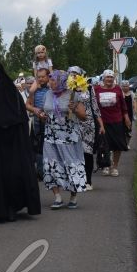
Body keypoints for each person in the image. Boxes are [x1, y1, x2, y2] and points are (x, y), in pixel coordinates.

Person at [0, 60, 41, 221]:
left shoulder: (10, 91)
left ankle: (12, 207)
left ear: (0, 75)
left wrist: (5, 126)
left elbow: (19, 118)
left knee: (10, 176)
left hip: (10, 145)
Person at [41, 70, 88, 209]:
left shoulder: (73, 94)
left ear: (62, 81)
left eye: (54, 80)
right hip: (50, 135)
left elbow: (84, 117)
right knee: (51, 165)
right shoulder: (47, 94)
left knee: (71, 164)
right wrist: (43, 115)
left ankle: (73, 197)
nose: (51, 82)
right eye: (50, 80)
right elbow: (47, 110)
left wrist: (75, 109)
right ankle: (57, 197)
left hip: (68, 137)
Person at [94, 69, 131, 177]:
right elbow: (93, 105)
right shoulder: (97, 89)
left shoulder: (118, 89)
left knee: (117, 145)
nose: (109, 79)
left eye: (111, 77)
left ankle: (114, 167)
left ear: (113, 79)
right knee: (104, 145)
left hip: (117, 121)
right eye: (107, 77)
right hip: (102, 122)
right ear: (103, 78)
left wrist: (127, 117)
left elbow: (123, 106)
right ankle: (105, 165)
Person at [69, 66, 100, 192]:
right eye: (71, 73)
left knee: (87, 153)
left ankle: (88, 180)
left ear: (81, 74)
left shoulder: (89, 87)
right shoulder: (67, 88)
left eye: (75, 73)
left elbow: (95, 106)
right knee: (75, 153)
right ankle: (77, 180)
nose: (73, 75)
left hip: (88, 124)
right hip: (72, 123)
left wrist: (101, 124)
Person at [26, 68, 51, 179]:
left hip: (52, 120)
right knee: (39, 145)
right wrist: (35, 110)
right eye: (38, 77)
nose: (40, 79)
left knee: (51, 145)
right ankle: (41, 172)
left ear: (48, 77)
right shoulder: (34, 90)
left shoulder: (53, 88)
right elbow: (27, 105)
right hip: (38, 120)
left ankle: (52, 171)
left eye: (43, 76)